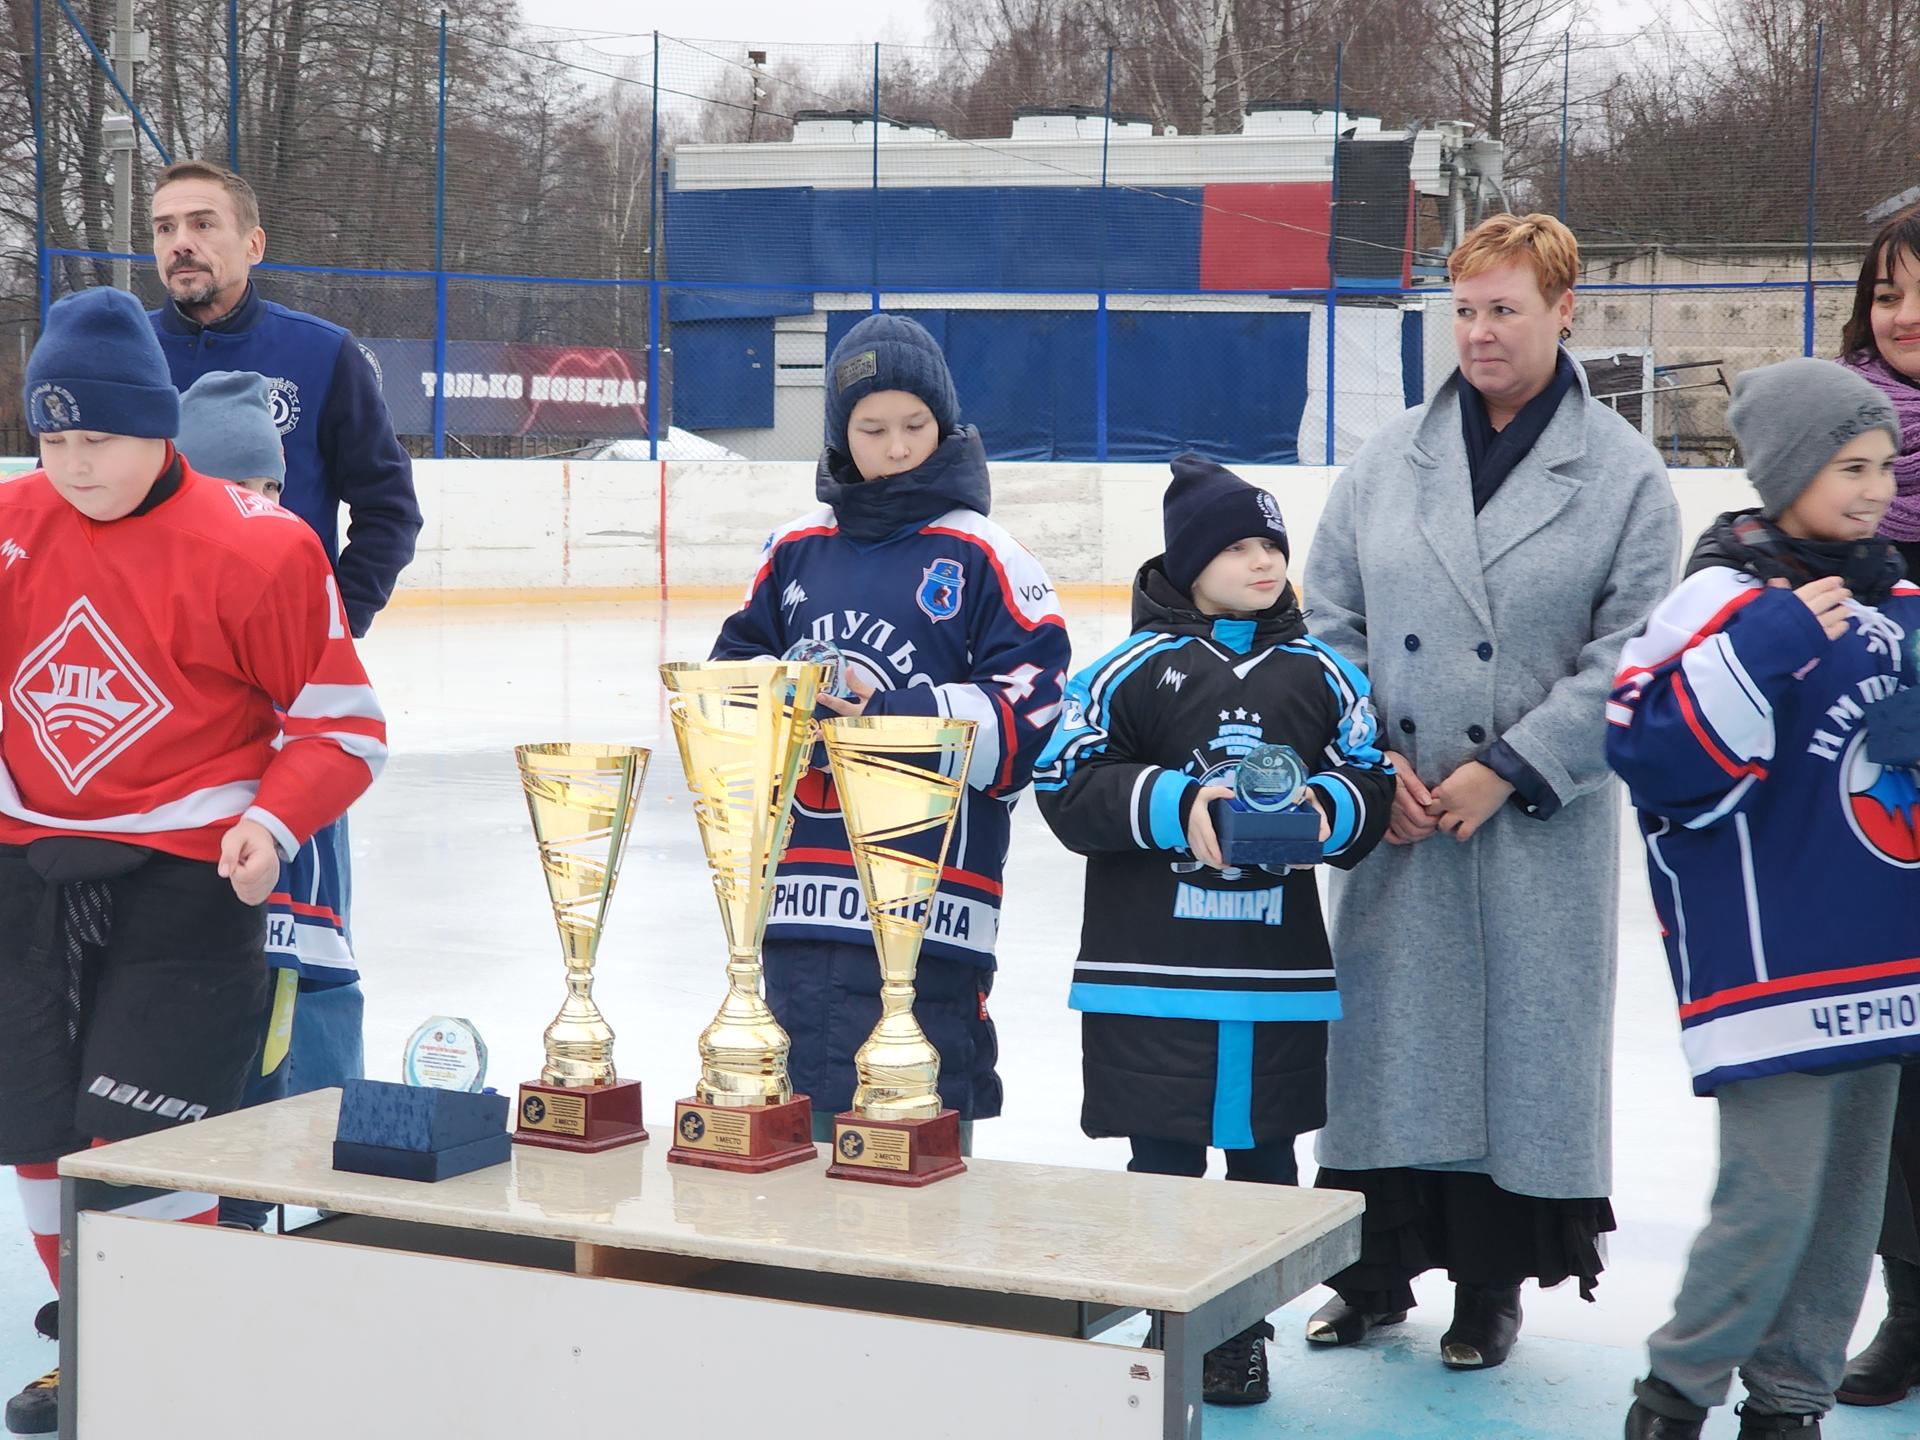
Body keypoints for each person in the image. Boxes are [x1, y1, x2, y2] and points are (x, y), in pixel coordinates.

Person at [1, 288, 386, 1435]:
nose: (74, 464)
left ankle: (175, 1350)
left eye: (99, 438)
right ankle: (100, 1340)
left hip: (185, 878)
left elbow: (341, 725)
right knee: (37, 1133)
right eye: (52, 437)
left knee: (144, 1133)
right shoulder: (10, 531)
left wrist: (271, 822)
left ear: (157, 425)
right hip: (27, 871)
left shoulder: (258, 547)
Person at [1303, 212, 1680, 1370]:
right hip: (1400, 819)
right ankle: (1370, 1276)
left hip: (1531, 825)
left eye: (1503, 309)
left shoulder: (1623, 473)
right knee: (1386, 1051)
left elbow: (1635, 651)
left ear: (1565, 313)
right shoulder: (1388, 459)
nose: (1478, 333)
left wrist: (1509, 765)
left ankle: (1487, 1289)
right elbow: (1328, 620)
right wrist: (1377, 764)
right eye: (1462, 310)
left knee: (1514, 1058)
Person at [1034, 455, 1394, 1406]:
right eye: (1238, 546)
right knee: (1162, 1158)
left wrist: (1323, 811)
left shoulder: (1324, 675)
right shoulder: (1124, 673)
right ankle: (1170, 1324)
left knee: (1267, 1157)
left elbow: (1369, 777)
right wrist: (1176, 804)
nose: (1264, 561)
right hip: (1146, 972)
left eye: (1273, 543)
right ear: (1188, 561)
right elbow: (1064, 784)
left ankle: (1238, 1330)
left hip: (1271, 975)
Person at [1610, 358, 1920, 1439]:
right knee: (1772, 1196)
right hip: (1774, 962)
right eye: (1850, 465)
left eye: (1885, 464)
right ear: (1787, 468)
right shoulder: (1723, 595)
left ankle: (1790, 1403)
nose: (1877, 487)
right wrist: (1775, 640)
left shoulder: (1899, 603)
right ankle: (1675, 1395)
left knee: (1846, 1209)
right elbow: (1646, 750)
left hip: (1882, 956)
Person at [710, 312, 1070, 1145]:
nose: (897, 446)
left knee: (924, 1135)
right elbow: (730, 684)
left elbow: (1033, 708)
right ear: (842, 437)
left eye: (916, 425)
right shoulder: (793, 551)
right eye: (872, 429)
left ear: (946, 425)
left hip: (933, 914)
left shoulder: (986, 553)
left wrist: (890, 718)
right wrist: (787, 698)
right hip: (800, 905)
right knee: (794, 1134)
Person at [148, 158, 420, 1100]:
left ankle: (312, 1129)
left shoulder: (322, 354)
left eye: (203, 224)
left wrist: (326, 633)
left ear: (252, 243)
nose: (181, 243)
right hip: (162, 709)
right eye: (164, 227)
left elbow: (387, 510)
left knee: (308, 934)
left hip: (288, 716)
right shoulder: (128, 359)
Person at [172, 370, 359, 1231]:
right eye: (233, 484)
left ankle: (252, 1241)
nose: (257, 503)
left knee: (268, 1085)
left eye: (270, 485)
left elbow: (338, 741)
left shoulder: (292, 574)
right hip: (177, 913)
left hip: (279, 911)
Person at [1835, 206, 1920, 1409]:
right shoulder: (1832, 437)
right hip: (1875, 810)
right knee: (1893, 1071)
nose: (1906, 315)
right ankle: (1911, 1309)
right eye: (1889, 290)